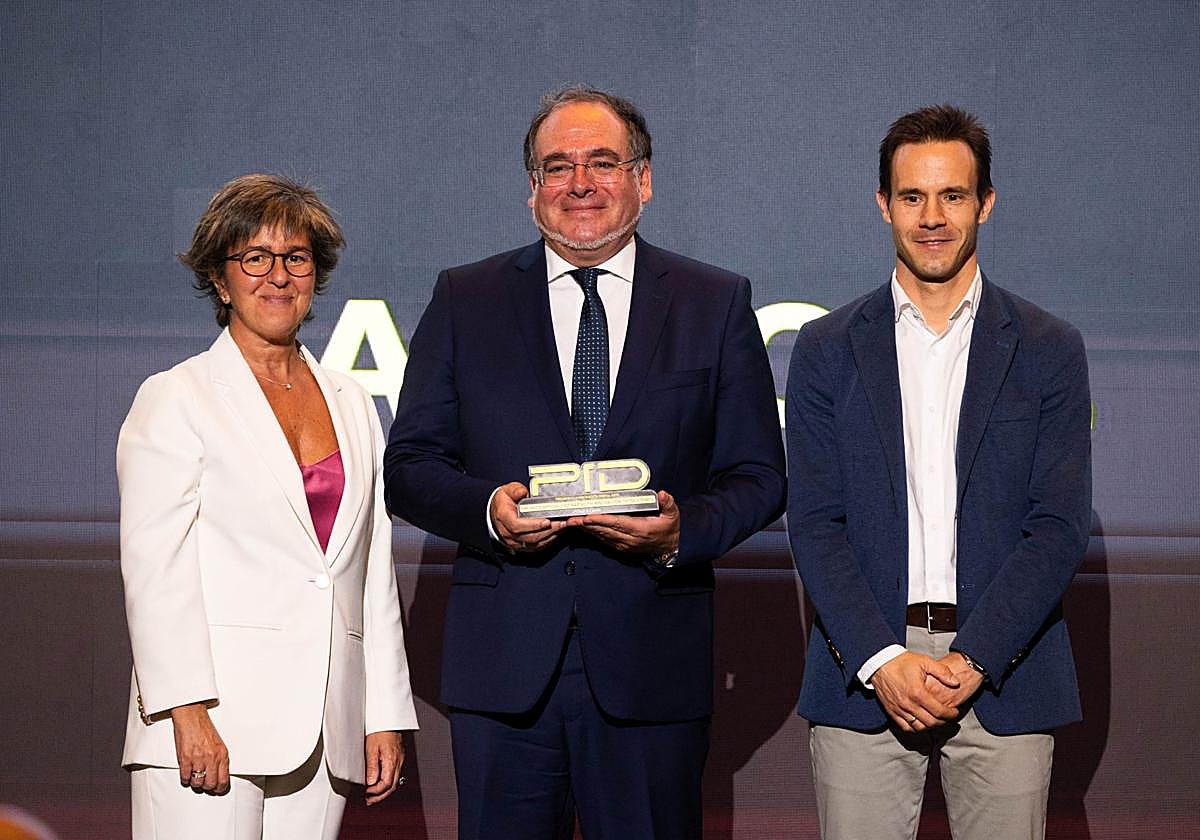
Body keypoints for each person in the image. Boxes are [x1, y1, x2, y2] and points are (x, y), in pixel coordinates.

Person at [384, 86, 786, 840]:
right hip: (504, 670)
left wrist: (677, 534)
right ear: (532, 188)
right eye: (558, 165)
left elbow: (759, 476)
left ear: (644, 178)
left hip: (650, 668)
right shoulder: (465, 298)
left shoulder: (714, 302)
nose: (581, 183)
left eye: (603, 161)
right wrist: (488, 516)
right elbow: (408, 464)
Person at [785, 104, 1092, 840]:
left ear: (985, 203)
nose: (932, 216)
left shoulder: (1049, 347)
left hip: (1003, 672)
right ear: (884, 204)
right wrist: (882, 658)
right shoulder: (827, 349)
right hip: (865, 673)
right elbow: (815, 522)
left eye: (952, 195)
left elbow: (1057, 526)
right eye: (913, 196)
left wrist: (976, 658)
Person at [117, 173, 418, 839]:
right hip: (210, 720)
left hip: (325, 725)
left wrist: (381, 711)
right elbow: (155, 570)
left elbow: (369, 572)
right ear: (220, 280)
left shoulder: (351, 401)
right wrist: (184, 711)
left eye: (296, 258)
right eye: (255, 258)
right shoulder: (176, 397)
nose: (277, 276)